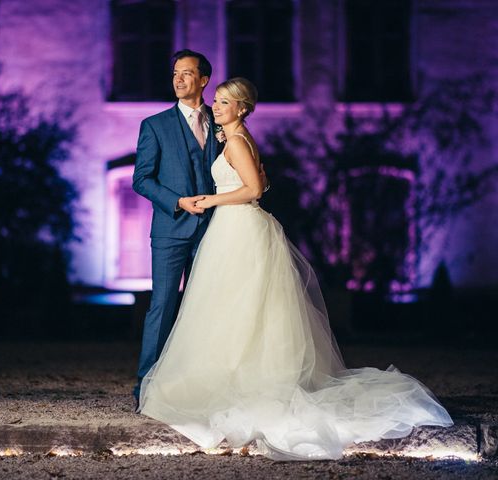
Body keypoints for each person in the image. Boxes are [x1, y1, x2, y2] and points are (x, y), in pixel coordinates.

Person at [138, 77, 453, 460]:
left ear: (241, 108)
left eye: (224, 102)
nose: (216, 106)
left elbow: (253, 190)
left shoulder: (236, 141)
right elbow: (263, 183)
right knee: (239, 306)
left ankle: (236, 379)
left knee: (233, 304)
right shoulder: (241, 139)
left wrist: (211, 199)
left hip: (237, 226)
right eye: (216, 101)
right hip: (237, 226)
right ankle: (238, 372)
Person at [131, 50, 221, 406]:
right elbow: (141, 179)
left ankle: (198, 385)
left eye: (187, 73)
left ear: (203, 80)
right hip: (170, 229)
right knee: (163, 306)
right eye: (175, 73)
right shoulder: (154, 125)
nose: (179, 79)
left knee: (206, 308)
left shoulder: (220, 121)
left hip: (214, 231)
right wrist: (178, 201)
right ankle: (146, 387)